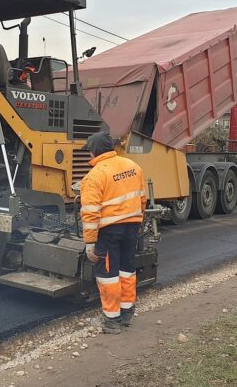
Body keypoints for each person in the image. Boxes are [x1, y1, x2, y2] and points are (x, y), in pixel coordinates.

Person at [80, 131, 146, 334]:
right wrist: (137, 220)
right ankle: (127, 314)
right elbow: (142, 199)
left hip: (109, 232)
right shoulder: (133, 166)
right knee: (127, 270)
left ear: (94, 151)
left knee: (108, 275)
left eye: (89, 151)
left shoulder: (95, 176)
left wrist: (90, 242)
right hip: (132, 227)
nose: (89, 155)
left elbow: (90, 213)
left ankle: (111, 321)